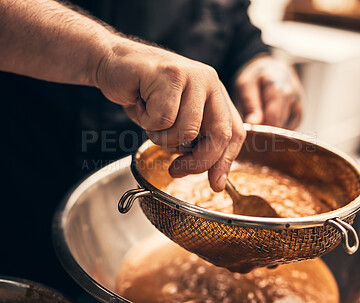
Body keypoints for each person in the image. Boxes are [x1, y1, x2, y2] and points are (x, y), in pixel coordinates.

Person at [0, 0, 303, 297]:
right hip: (25, 200)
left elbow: (231, 17)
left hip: (166, 188)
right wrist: (105, 56)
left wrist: (256, 59)